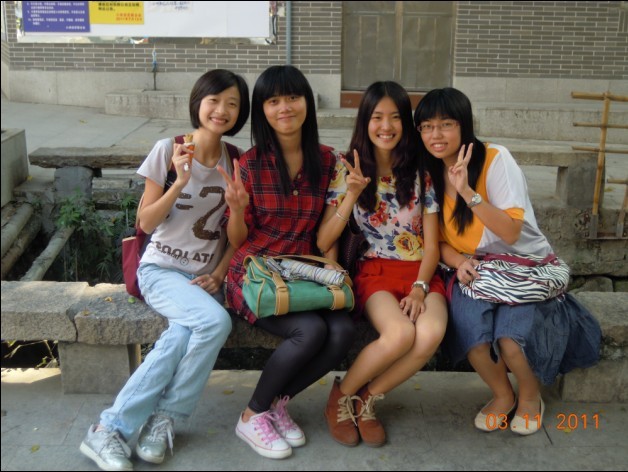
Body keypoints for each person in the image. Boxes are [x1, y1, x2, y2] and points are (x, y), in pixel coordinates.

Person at [80, 69, 250, 471]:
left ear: (240, 113)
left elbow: (236, 237)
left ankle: (108, 430)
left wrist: (223, 266)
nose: (221, 110)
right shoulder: (168, 149)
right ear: (198, 103)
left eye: (232, 104)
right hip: (160, 270)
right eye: (214, 100)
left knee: (179, 337)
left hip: (203, 279)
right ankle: (165, 417)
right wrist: (179, 182)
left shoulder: (237, 160)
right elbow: (145, 222)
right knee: (214, 323)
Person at [413, 87, 601, 436]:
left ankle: (529, 396)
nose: (435, 135)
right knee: (474, 338)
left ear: (464, 125)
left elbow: (512, 232)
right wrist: (458, 262)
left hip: (522, 265)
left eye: (446, 124)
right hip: (475, 270)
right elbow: (437, 240)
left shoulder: (495, 159)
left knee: (512, 341)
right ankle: (503, 394)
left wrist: (467, 192)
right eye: (426, 126)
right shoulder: (428, 175)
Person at [217, 65, 355, 460]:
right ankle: (251, 414)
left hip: (303, 272)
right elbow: (238, 240)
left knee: (342, 331)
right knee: (309, 331)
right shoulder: (250, 164)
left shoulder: (328, 161)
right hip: (254, 273)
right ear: (262, 110)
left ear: (306, 103)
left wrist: (331, 269)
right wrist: (237, 210)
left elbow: (327, 235)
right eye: (273, 101)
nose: (284, 108)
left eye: (292, 98)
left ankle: (278, 404)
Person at [317, 81, 448, 447]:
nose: (386, 126)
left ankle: (367, 398)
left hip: (421, 273)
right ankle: (341, 396)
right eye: (377, 117)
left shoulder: (422, 173)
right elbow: (324, 241)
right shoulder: (346, 169)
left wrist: (420, 288)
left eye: (395, 117)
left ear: (405, 123)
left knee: (430, 334)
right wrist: (353, 193)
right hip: (374, 272)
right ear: (365, 121)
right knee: (401, 334)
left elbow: (432, 246)